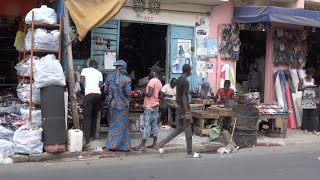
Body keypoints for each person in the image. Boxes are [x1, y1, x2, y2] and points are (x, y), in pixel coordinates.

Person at [156, 64, 194, 156]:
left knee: (179, 129)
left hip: (177, 106)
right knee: (188, 129)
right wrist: (187, 111)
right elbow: (184, 97)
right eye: (190, 70)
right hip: (182, 107)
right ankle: (189, 152)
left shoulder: (180, 79)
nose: (190, 72)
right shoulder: (185, 82)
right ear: (188, 71)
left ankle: (161, 144)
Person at [104, 60, 132, 151]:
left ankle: (112, 145)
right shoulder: (127, 80)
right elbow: (128, 93)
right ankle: (123, 146)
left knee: (113, 125)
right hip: (123, 106)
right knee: (123, 126)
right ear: (123, 68)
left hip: (112, 105)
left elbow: (105, 90)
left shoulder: (109, 78)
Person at [134, 66, 163, 151]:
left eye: (151, 71)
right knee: (154, 125)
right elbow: (160, 95)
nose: (149, 73)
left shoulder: (151, 81)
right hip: (155, 106)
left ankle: (142, 144)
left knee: (147, 125)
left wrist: (142, 93)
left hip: (149, 106)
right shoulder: (159, 82)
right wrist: (156, 99)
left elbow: (149, 94)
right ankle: (154, 143)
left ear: (153, 73)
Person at [80, 60, 103, 149]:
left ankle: (87, 141)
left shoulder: (85, 70)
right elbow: (100, 85)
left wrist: (85, 88)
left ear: (89, 65)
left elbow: (81, 81)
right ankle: (92, 136)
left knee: (87, 118)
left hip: (89, 94)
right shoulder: (99, 73)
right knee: (94, 116)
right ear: (96, 66)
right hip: (97, 95)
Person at [298, 68, 319, 135]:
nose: (311, 76)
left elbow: (315, 89)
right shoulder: (302, 80)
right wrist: (307, 87)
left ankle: (314, 129)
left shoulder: (313, 80)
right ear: (307, 74)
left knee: (313, 114)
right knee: (305, 114)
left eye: (312, 74)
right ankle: (305, 129)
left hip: (312, 99)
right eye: (309, 74)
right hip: (305, 99)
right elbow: (299, 89)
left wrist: (314, 88)